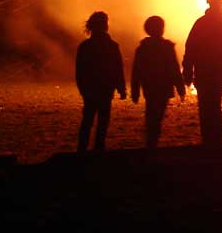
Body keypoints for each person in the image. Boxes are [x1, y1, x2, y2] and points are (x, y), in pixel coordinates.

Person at [183, 0, 222, 146]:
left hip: (204, 74)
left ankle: (208, 140)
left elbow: (190, 49)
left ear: (207, 0)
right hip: (218, 75)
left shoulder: (201, 23)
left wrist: (187, 72)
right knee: (214, 107)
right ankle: (215, 141)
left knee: (205, 108)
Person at [131, 16, 186, 149]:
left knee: (151, 115)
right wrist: (180, 88)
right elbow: (174, 69)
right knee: (157, 116)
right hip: (163, 88)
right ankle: (152, 142)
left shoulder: (142, 49)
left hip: (149, 88)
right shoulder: (167, 47)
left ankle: (150, 142)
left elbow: (136, 71)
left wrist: (135, 91)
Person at [75, 11, 126, 153]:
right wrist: (121, 88)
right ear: (105, 26)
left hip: (90, 91)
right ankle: (99, 149)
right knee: (103, 122)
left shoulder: (85, 46)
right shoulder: (112, 46)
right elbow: (118, 69)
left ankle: (82, 150)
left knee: (87, 121)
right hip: (105, 90)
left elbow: (80, 71)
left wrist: (83, 90)